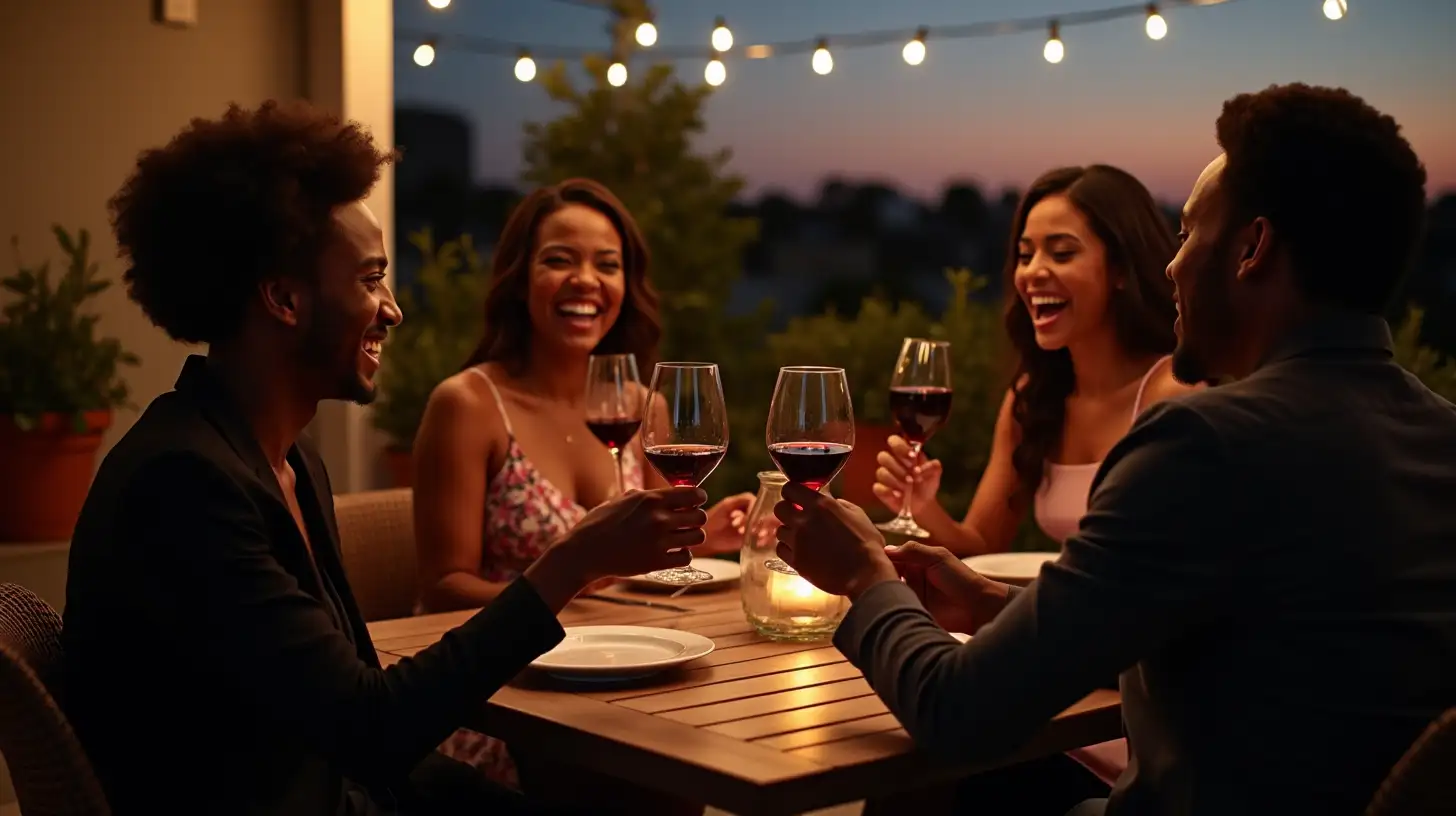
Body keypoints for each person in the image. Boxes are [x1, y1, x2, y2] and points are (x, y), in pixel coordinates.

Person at [771, 83, 1456, 815]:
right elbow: (1245, 628)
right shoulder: (1441, 436)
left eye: (1191, 233)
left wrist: (866, 577)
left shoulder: (1204, 443)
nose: (1172, 266)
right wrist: (997, 604)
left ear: (1251, 249)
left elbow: (958, 714)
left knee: (923, 790)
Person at [62, 100, 709, 816]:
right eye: (370, 279)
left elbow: (364, 726)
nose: (392, 309)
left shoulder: (287, 462)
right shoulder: (183, 485)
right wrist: (571, 561)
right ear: (283, 298)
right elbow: (371, 729)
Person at [409, 179, 751, 801]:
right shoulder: (468, 405)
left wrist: (709, 538)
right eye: (559, 259)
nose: (586, 280)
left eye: (607, 264)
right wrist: (580, 576)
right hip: (509, 697)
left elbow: (650, 571)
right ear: (519, 277)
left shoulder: (645, 408)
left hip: (628, 670)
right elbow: (441, 592)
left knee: (691, 750)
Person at [874, 165, 1194, 556]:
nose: (1032, 273)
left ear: (1121, 269)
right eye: (1025, 255)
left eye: (1062, 253)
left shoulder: (1173, 396)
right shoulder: (1033, 398)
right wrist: (923, 508)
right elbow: (980, 549)